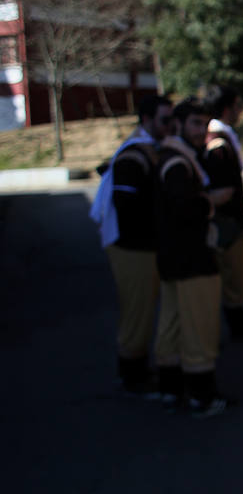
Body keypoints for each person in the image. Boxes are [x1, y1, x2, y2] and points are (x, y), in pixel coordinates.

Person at [90, 94, 173, 395]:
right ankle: (131, 372)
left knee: (142, 307)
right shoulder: (133, 156)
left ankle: (135, 367)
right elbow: (127, 207)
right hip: (131, 247)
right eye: (165, 120)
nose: (170, 126)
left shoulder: (148, 150)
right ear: (147, 120)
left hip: (141, 246)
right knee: (137, 310)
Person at [154, 96, 230, 418]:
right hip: (192, 258)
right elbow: (185, 208)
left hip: (174, 257)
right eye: (195, 123)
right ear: (179, 125)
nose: (201, 130)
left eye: (204, 123)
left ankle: (169, 389)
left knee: (171, 324)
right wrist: (209, 201)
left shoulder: (176, 156)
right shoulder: (177, 162)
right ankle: (202, 396)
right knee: (199, 328)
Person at [204, 84, 243, 339]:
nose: (241, 111)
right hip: (228, 223)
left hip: (225, 220)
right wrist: (242, 221)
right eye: (238, 106)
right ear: (228, 108)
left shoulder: (218, 136)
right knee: (232, 280)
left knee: (229, 279)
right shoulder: (218, 141)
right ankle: (237, 329)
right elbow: (226, 190)